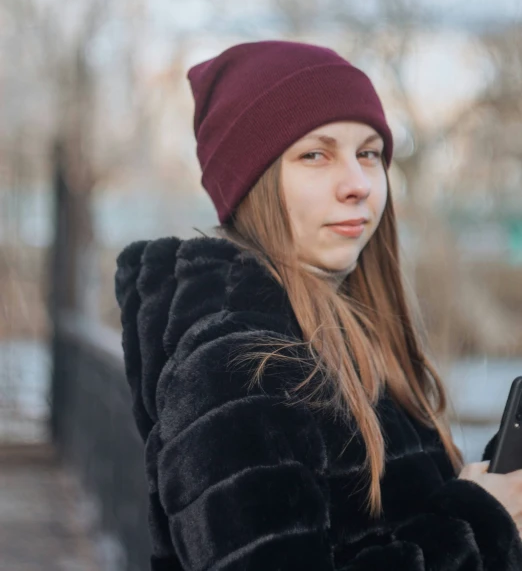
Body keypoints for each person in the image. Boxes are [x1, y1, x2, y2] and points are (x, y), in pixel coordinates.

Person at [115, 40, 522, 571]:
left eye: (369, 153)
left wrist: (496, 490)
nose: (357, 184)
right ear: (252, 182)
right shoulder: (236, 369)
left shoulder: (341, 337)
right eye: (315, 154)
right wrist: (484, 528)